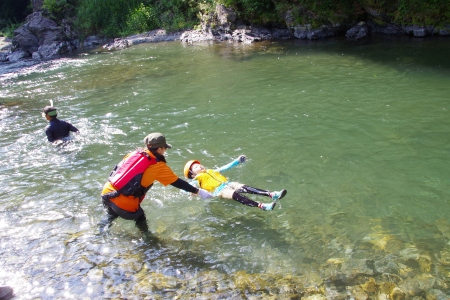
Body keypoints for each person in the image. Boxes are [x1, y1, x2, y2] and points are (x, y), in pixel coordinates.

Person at [100, 132, 212, 233]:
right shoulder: (158, 165)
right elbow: (178, 182)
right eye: (164, 148)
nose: (165, 151)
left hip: (107, 192)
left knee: (111, 214)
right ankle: (148, 239)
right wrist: (199, 191)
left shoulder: (135, 153)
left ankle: (100, 232)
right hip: (124, 203)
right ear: (159, 149)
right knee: (140, 217)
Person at [184, 155, 287, 211]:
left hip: (228, 184)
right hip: (219, 191)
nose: (200, 166)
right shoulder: (196, 179)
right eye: (196, 167)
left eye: (199, 164)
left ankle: (272, 194)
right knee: (236, 195)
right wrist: (191, 192)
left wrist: (237, 161)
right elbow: (187, 187)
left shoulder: (211, 171)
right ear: (192, 174)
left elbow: (225, 167)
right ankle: (262, 206)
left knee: (246, 187)